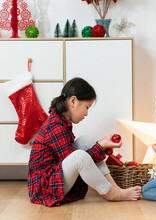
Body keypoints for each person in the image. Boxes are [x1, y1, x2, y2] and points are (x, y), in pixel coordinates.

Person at [28, 77, 141, 207]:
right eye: (87, 107)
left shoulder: (61, 122)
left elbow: (75, 160)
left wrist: (101, 144)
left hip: (54, 175)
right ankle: (109, 192)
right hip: (45, 187)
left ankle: (114, 189)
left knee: (84, 141)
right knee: (79, 156)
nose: (86, 113)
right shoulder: (55, 125)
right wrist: (101, 145)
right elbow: (77, 160)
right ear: (73, 101)